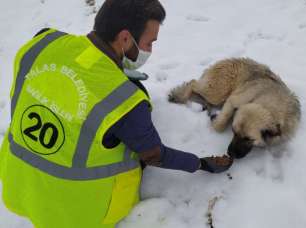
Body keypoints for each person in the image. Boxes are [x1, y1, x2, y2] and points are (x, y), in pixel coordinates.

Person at [0, 0, 233, 227]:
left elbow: (78, 73)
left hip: (18, 184)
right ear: (124, 38)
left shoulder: (42, 43)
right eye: (150, 43)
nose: (150, 50)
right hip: (75, 212)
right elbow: (154, 154)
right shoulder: (124, 100)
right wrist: (200, 164)